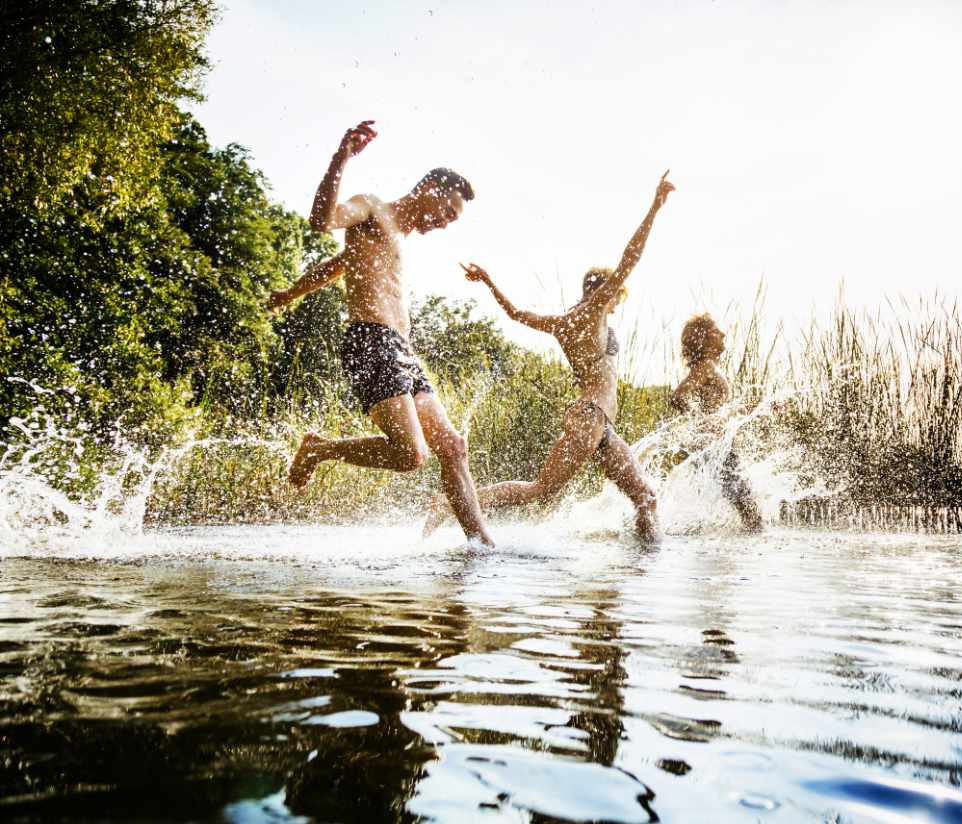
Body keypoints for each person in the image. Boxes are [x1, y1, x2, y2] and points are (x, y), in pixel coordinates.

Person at [267, 120, 493, 546]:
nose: (446, 223)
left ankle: (482, 547)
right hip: (369, 341)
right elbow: (322, 220)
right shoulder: (371, 208)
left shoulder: (396, 238)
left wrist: (293, 291)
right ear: (431, 188)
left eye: (453, 219)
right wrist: (342, 157)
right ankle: (320, 448)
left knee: (453, 446)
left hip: (402, 350)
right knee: (411, 455)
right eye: (448, 211)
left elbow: (336, 266)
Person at [423, 172, 676, 544]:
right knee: (541, 488)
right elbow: (630, 257)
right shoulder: (593, 311)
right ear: (607, 293)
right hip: (590, 417)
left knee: (646, 497)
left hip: (599, 423)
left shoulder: (563, 322)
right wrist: (655, 206)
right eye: (612, 293)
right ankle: (449, 503)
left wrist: (490, 282)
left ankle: (642, 568)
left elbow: (514, 313)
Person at [670, 313, 764, 532]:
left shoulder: (709, 366)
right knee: (750, 510)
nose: (723, 334)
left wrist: (749, 409)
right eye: (716, 331)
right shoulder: (704, 367)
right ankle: (751, 554)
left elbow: (716, 408)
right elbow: (677, 396)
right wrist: (704, 421)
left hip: (718, 445)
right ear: (703, 338)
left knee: (746, 506)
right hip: (715, 446)